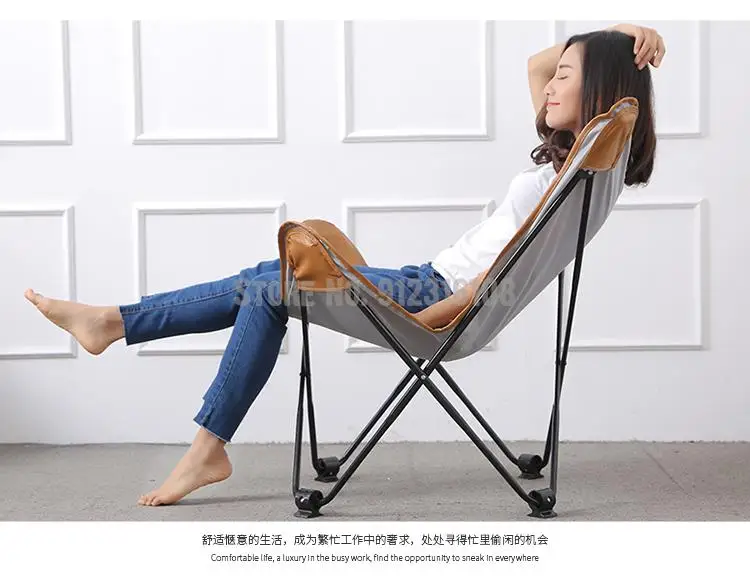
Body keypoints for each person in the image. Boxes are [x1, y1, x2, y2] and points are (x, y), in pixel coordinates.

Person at [23, 23, 663, 507]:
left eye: (566, 76)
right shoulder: (589, 161)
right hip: (424, 280)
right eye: (557, 76)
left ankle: (188, 424)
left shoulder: (580, 172)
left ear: (602, 89)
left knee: (269, 289)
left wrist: (428, 321)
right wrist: (615, 35)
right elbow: (536, 65)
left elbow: (491, 280)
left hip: (430, 298)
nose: (548, 84)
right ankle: (125, 339)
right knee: (266, 277)